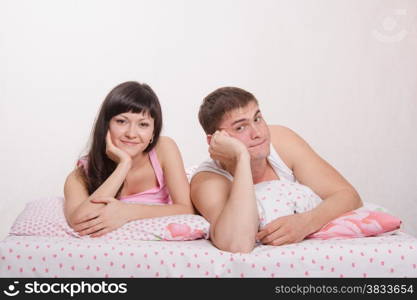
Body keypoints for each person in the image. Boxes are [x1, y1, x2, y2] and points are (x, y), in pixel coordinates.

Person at [190, 87, 363, 253]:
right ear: (215, 140)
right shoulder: (207, 181)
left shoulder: (282, 141)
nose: (257, 133)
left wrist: (306, 223)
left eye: (257, 119)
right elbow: (238, 244)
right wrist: (241, 157)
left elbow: (349, 196)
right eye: (240, 127)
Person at [64, 81, 193, 237]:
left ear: (153, 132)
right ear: (106, 126)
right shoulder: (81, 174)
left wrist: (128, 211)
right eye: (121, 121)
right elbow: (80, 222)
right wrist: (124, 164)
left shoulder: (164, 148)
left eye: (143, 124)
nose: (131, 133)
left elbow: (186, 209)